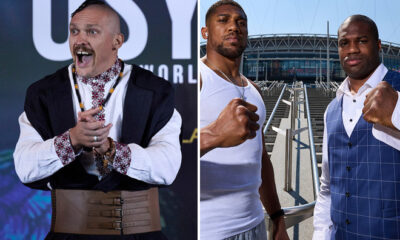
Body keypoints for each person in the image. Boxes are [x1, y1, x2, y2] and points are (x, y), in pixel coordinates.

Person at [13, 1, 182, 239]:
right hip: (67, 232)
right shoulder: (42, 93)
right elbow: (24, 167)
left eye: (91, 31)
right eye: (74, 31)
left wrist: (113, 151)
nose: (79, 40)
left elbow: (168, 167)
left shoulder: (156, 90)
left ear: (117, 42)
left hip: (140, 232)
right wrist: (70, 140)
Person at [199, 1, 289, 239]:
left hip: (255, 225)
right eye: (223, 20)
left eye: (241, 22)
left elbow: (260, 158)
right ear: (205, 32)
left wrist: (277, 217)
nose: (234, 27)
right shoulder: (195, 80)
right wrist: (214, 135)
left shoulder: (254, 89)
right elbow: (163, 156)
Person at [313, 15, 400, 239]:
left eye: (362, 40)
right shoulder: (331, 109)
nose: (352, 49)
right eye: (344, 43)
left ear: (378, 45)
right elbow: (327, 187)